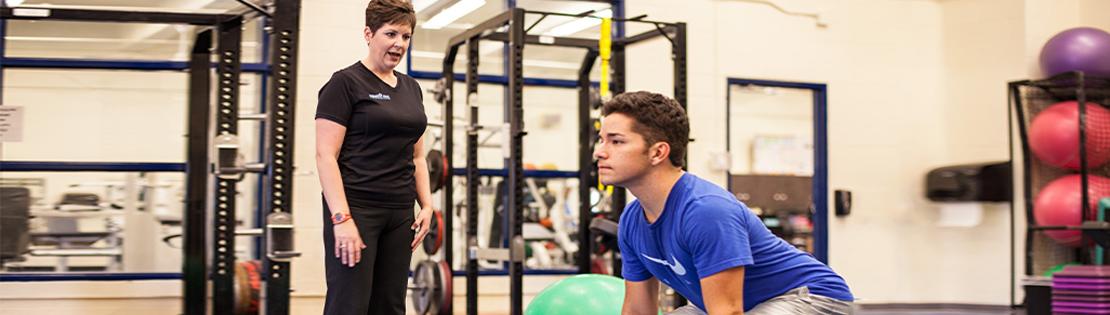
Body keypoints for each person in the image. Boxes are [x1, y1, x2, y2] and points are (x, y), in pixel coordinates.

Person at [593, 91, 854, 314]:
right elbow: (638, 310)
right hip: (740, 305)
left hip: (812, 298)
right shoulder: (631, 219)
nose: (599, 151)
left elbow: (727, 312)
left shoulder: (705, 210)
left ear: (658, 152)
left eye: (616, 141)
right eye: (602, 140)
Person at [314, 0, 434, 314]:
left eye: (406, 37)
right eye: (390, 34)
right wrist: (341, 219)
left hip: (399, 214)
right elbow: (326, 155)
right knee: (349, 305)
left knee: (391, 306)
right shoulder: (345, 83)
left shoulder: (412, 88)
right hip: (357, 210)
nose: (399, 44)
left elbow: (418, 156)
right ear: (369, 34)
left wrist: (428, 205)